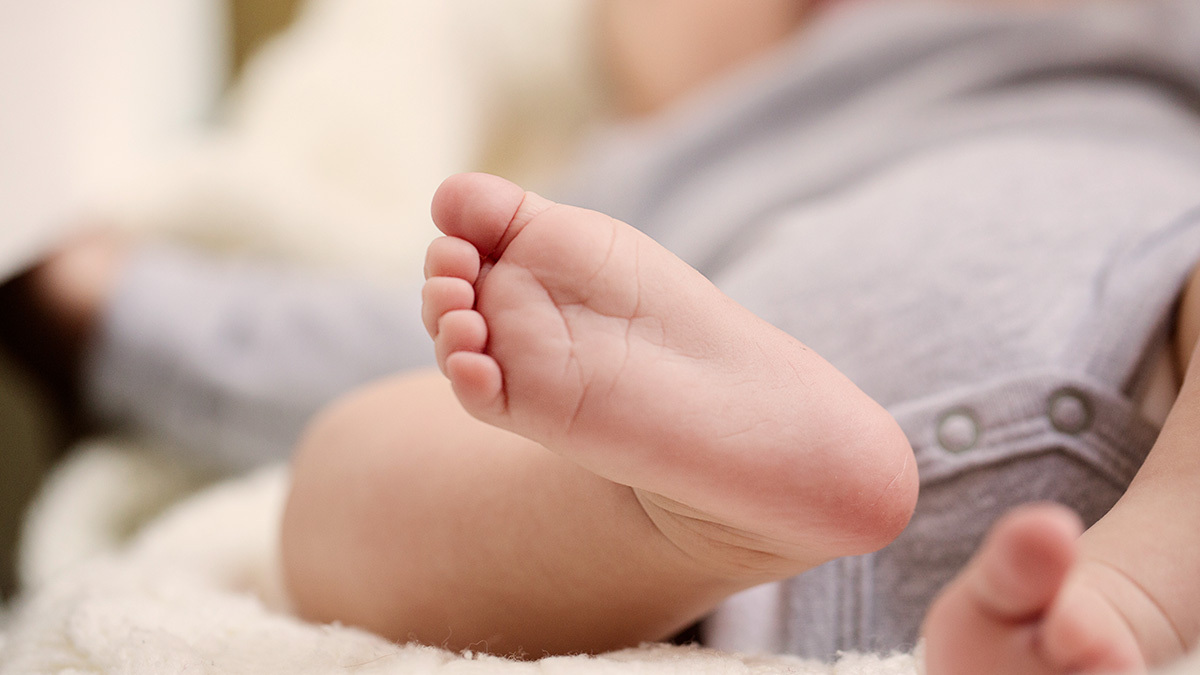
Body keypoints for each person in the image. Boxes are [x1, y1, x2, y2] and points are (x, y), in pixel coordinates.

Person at [9, 0, 1200, 673]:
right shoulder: (628, 189)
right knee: (351, 464)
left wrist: (106, 303)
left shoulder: (1084, 30)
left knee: (350, 462)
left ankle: (1136, 588)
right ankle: (695, 510)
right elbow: (416, 342)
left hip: (1149, 312)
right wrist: (111, 297)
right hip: (739, 505)